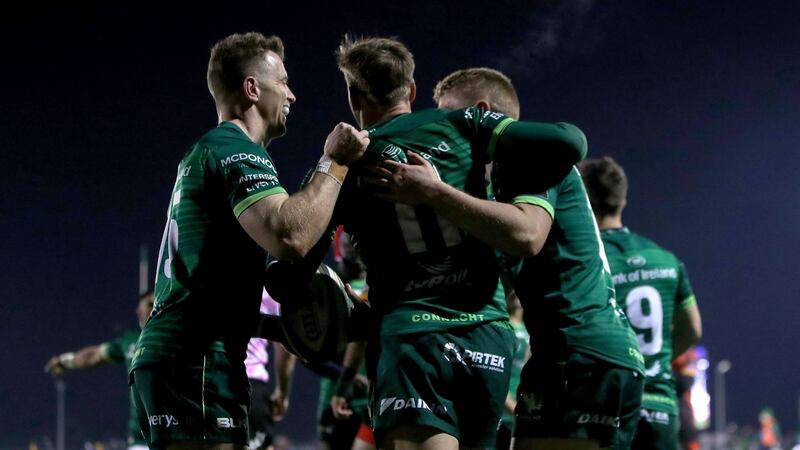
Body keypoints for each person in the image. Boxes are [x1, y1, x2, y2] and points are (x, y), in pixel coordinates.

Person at [275, 38, 586, 450]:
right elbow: (570, 143)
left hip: (412, 343)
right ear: (413, 90)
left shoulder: (348, 163)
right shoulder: (466, 125)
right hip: (487, 340)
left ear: (353, 97)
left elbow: (289, 271)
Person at [374, 67, 645, 450]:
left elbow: (527, 235)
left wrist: (435, 193)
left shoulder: (527, 156)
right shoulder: (491, 187)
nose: (442, 127)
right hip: (558, 353)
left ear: (482, 112)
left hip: (583, 350)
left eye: (449, 114)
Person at [129, 32, 368, 450]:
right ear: (253, 88)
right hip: (197, 358)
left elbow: (206, 289)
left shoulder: (205, 152)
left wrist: (279, 329)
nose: (292, 95)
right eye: (284, 82)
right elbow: (289, 235)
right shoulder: (234, 149)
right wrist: (335, 162)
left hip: (184, 353)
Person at [579, 156, 703, 450]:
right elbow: (693, 329)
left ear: (583, 199)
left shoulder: (587, 260)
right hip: (661, 404)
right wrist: (657, 359)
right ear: (622, 200)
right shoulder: (666, 259)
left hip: (608, 402)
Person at [45, 290, 155, 450]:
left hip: (177, 435)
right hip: (141, 440)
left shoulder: (180, 335)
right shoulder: (131, 341)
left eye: (153, 304)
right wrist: (66, 361)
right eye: (147, 305)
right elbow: (94, 355)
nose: (149, 310)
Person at [245, 289, 297, 450]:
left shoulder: (203, 277)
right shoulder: (270, 290)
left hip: (209, 379)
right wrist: (282, 392)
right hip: (252, 390)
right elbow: (287, 349)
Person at [497, 290, 530, 450]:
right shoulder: (504, 327)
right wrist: (509, 403)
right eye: (514, 295)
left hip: (521, 408)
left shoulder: (530, 332)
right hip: (504, 408)